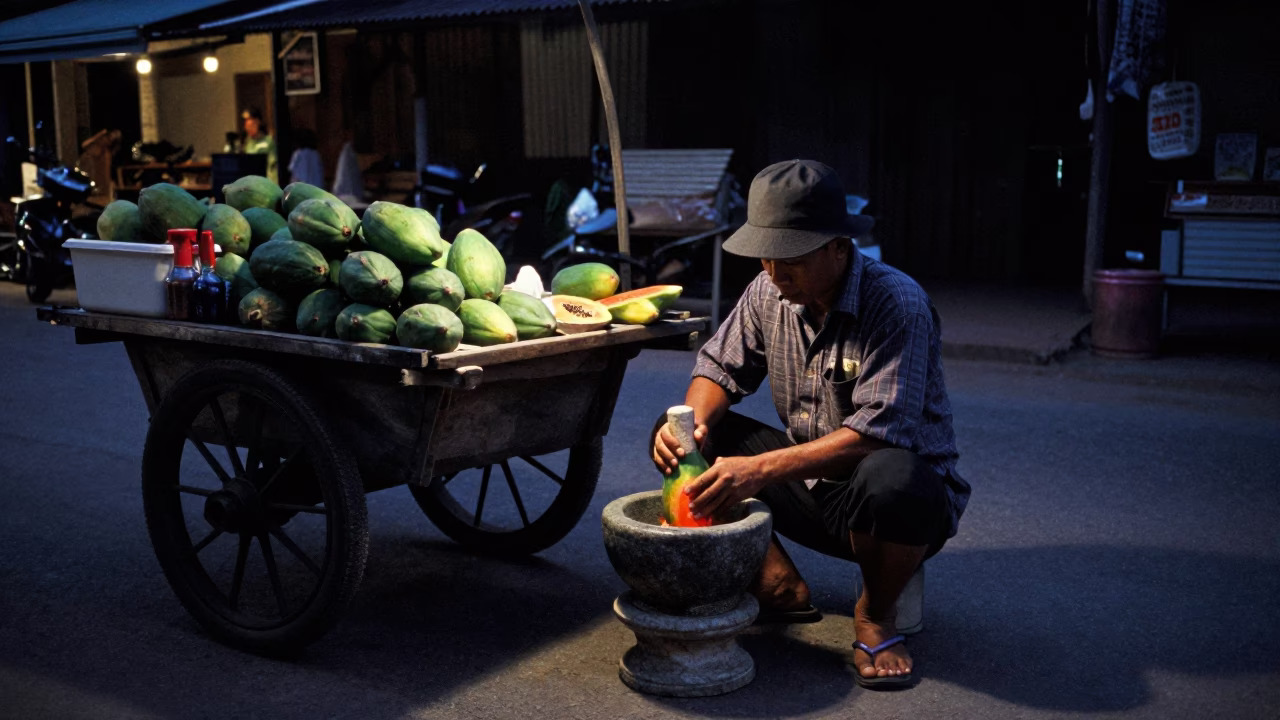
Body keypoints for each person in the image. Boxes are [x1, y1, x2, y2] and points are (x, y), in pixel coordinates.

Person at [650, 159, 969, 689]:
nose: (776, 276)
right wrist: (690, 426)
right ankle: (778, 583)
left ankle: (877, 612)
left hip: (897, 503)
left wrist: (758, 470)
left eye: (792, 261)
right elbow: (717, 368)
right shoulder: (767, 290)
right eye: (767, 259)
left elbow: (879, 435)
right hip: (811, 485)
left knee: (895, 477)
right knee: (681, 438)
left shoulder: (898, 304)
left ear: (838, 247)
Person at [239, 107, 277, 183]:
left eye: (251, 123)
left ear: (258, 122)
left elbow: (273, 167)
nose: (247, 127)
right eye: (246, 123)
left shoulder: (268, 142)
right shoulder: (246, 143)